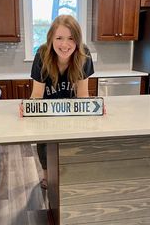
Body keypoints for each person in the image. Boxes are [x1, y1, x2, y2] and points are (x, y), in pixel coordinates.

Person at [20, 14, 94, 189]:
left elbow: (83, 94)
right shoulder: (42, 54)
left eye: (71, 38)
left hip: (72, 109)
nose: (65, 44)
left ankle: (69, 174)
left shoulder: (84, 55)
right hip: (47, 110)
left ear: (77, 40)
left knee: (70, 144)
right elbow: (37, 95)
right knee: (45, 143)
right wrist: (29, 108)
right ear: (51, 38)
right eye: (59, 38)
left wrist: (93, 110)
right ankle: (46, 176)